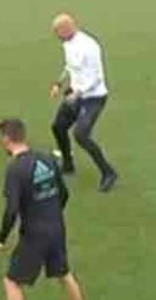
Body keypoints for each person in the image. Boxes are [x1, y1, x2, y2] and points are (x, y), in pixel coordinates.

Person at [0, 119, 91, 300]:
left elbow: (11, 209)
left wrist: (1, 238)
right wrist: (51, 214)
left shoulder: (15, 169)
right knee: (65, 274)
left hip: (35, 233)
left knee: (12, 281)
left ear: (6, 139)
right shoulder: (47, 158)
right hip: (56, 226)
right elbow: (63, 194)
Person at [49, 13, 117, 192]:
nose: (56, 36)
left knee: (81, 134)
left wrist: (78, 93)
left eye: (57, 32)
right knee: (58, 126)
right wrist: (59, 83)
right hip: (75, 94)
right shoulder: (67, 44)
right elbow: (70, 66)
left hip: (93, 98)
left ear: (66, 29)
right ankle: (68, 163)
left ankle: (108, 172)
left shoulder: (89, 46)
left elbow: (95, 77)